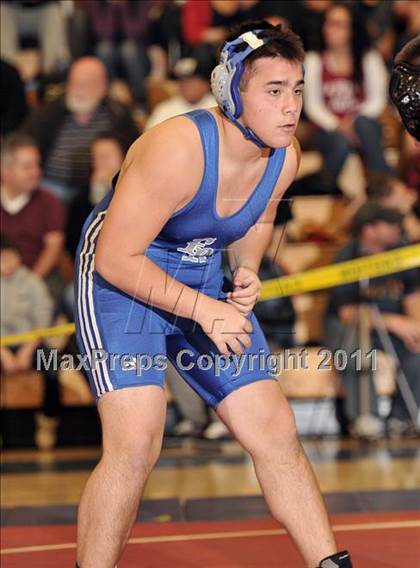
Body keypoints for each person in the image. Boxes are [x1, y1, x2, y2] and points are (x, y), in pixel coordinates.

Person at [74, 21, 352, 568]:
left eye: (296, 89)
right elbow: (114, 257)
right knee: (137, 442)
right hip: (124, 276)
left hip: (202, 273)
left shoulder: (285, 156)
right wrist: (207, 310)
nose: (291, 106)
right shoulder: (176, 147)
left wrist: (247, 266)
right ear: (231, 93)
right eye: (273, 91)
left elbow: (262, 212)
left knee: (274, 428)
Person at [324, 202, 420, 439]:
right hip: (350, 325)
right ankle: (365, 417)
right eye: (390, 224)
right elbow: (347, 313)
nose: (398, 228)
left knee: (417, 350)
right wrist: (395, 322)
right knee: (357, 350)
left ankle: (403, 418)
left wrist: (415, 326)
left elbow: (413, 297)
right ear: (370, 229)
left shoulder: (401, 250)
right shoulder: (348, 255)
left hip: (391, 326)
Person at [22, 57, 139, 204]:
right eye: (73, 83)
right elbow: (25, 145)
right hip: (51, 185)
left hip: (99, 186)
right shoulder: (48, 112)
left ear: (103, 87)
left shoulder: (118, 113)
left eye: (85, 84)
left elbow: (135, 152)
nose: (77, 90)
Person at [304, 2, 391, 191]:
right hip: (327, 130)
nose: (329, 29)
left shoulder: (368, 58)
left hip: (362, 126)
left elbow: (378, 100)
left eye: (338, 24)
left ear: (352, 29)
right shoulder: (314, 60)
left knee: (365, 125)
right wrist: (339, 125)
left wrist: (353, 121)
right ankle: (327, 188)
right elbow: (313, 106)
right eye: (328, 23)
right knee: (339, 142)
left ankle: (382, 183)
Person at [0, 234, 61, 449]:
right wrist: (4, 354)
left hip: (31, 343)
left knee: (52, 362)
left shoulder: (33, 282)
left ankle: (48, 419)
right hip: (2, 345)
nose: (6, 263)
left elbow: (42, 321)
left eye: (10, 257)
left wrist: (26, 351)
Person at [0, 133, 66, 301]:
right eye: (27, 167)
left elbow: (54, 247)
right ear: (5, 171)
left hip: (41, 278)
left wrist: (29, 283)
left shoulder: (48, 201)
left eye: (37, 165)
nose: (36, 172)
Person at [145, 56, 216, 130]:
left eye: (190, 81)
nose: (184, 85)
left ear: (205, 84)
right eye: (181, 81)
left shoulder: (217, 108)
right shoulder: (164, 109)